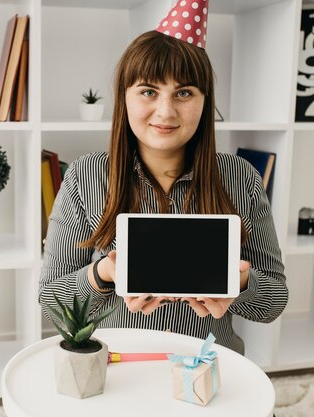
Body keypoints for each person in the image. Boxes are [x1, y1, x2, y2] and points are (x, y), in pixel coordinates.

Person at [39, 0, 288, 355]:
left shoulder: (240, 177)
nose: (166, 111)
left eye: (184, 93)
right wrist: (104, 275)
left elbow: (274, 302)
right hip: (118, 364)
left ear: (205, 101)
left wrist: (241, 281)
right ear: (124, 97)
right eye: (149, 91)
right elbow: (50, 301)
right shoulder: (85, 177)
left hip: (207, 362)